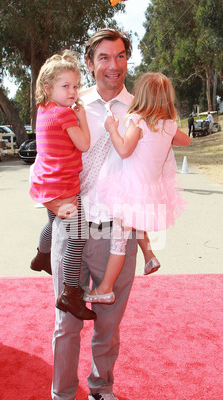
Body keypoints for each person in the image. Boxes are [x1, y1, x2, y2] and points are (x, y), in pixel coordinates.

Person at [46, 28, 138, 400]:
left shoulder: (141, 107)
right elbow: (44, 164)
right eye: (104, 57)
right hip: (73, 223)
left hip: (119, 229)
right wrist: (52, 206)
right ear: (90, 63)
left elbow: (152, 165)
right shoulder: (68, 102)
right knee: (67, 321)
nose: (113, 65)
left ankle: (102, 388)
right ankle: (62, 399)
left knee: (109, 320)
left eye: (120, 57)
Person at [84, 72, 191, 304]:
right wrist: (167, 136)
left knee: (119, 241)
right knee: (136, 222)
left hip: (130, 189)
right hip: (150, 191)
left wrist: (112, 128)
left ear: (141, 95)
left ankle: (105, 288)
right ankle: (150, 255)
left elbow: (123, 150)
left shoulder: (139, 122)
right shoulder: (169, 126)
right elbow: (187, 141)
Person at [29, 50, 96, 321]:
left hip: (45, 184)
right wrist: (83, 119)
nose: (73, 91)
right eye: (66, 86)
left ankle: (41, 256)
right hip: (64, 188)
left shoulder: (43, 110)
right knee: (77, 237)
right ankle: (69, 293)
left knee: (50, 223)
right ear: (48, 88)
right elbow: (84, 144)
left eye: (76, 86)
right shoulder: (66, 114)